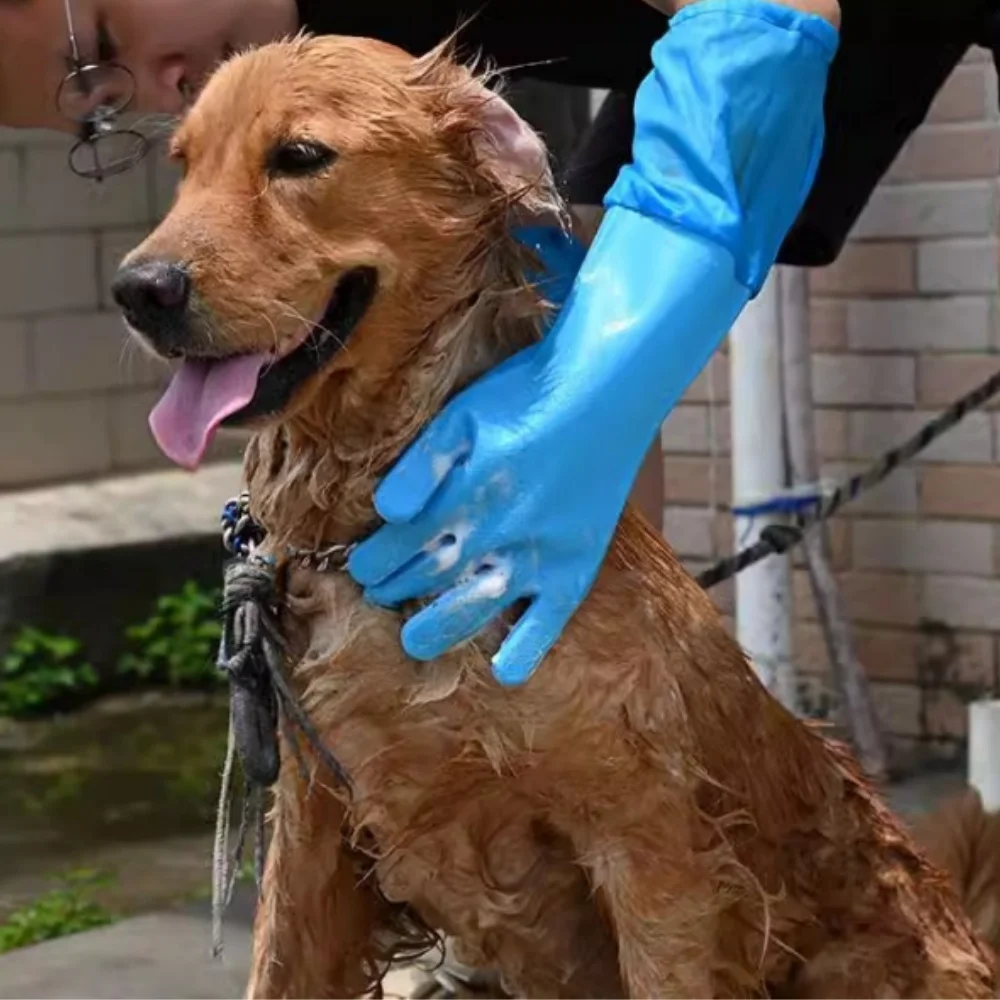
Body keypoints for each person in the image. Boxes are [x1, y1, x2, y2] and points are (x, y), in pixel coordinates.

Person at [0, 0, 993, 685]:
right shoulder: (335, 58)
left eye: (103, 45)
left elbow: (762, 15)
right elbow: (575, 267)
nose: (165, 84)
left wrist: (603, 381)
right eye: (102, 106)